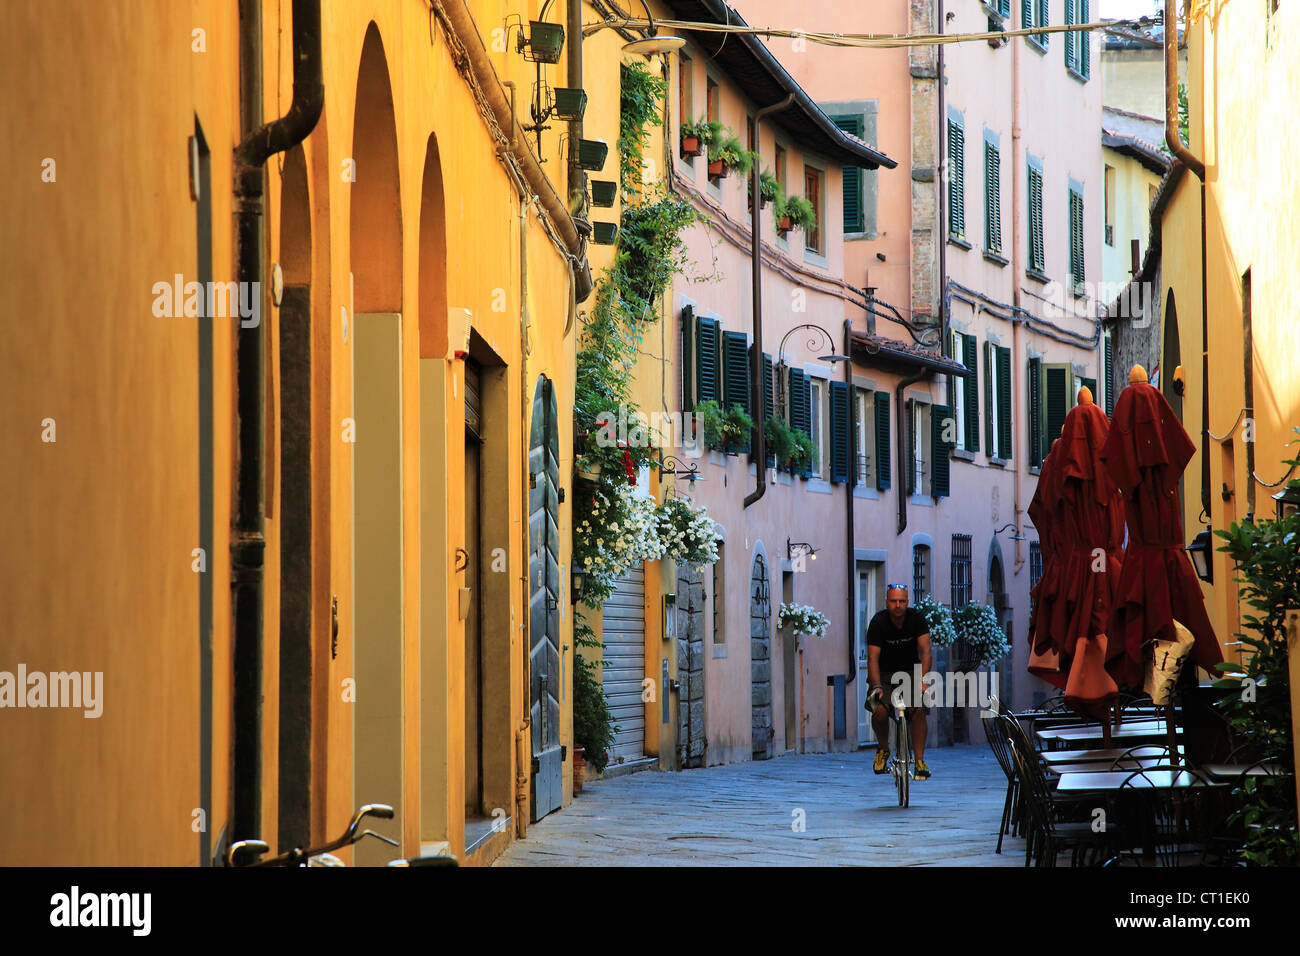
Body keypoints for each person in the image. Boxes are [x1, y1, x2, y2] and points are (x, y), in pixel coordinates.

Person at [865, 584, 934, 780]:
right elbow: (872, 659)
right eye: (894, 601)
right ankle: (883, 749)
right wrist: (876, 686)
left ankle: (920, 761)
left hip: (910, 672)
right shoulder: (878, 622)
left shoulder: (917, 619)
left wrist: (923, 681)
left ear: (907, 602)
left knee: (917, 709)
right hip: (884, 673)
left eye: (902, 601)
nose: (898, 605)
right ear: (887, 602)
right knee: (879, 710)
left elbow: (926, 652)